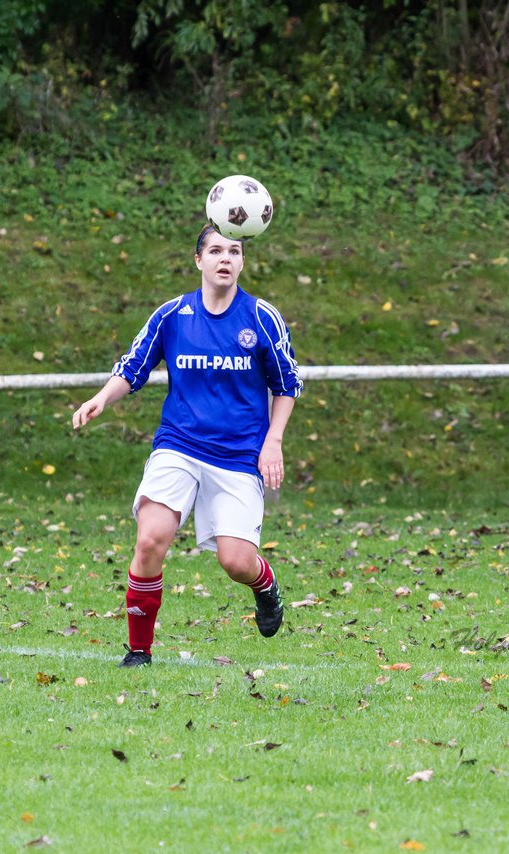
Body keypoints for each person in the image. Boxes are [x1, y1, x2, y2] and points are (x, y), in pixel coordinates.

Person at [72, 224, 303, 667]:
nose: (225, 258)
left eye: (234, 251)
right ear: (198, 260)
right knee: (151, 539)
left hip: (238, 456)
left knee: (236, 562)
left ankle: (265, 588)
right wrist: (101, 398)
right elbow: (133, 366)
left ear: (241, 263)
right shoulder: (172, 315)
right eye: (215, 250)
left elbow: (287, 383)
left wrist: (273, 442)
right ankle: (138, 651)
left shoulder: (260, 318)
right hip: (179, 446)